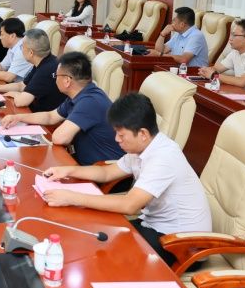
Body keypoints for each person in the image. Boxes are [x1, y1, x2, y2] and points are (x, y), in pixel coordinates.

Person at [40, 92, 211, 265]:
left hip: (182, 243)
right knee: (96, 234)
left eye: (121, 135)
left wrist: (71, 197)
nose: (116, 139)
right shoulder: (142, 148)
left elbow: (130, 205)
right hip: (154, 225)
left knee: (106, 254)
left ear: (143, 133)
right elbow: (106, 173)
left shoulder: (164, 157)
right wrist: (68, 171)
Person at [1, 52, 123, 164]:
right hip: (81, 163)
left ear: (67, 80)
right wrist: (18, 117)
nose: (55, 79)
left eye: (56, 75)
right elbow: (50, 117)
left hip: (101, 171)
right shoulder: (80, 94)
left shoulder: (90, 101)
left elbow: (59, 138)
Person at [0, 28, 66, 112]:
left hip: (45, 118)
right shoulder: (46, 60)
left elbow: (21, 102)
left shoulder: (45, 69)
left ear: (31, 52)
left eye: (22, 47)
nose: (21, 50)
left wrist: (14, 94)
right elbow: (21, 85)